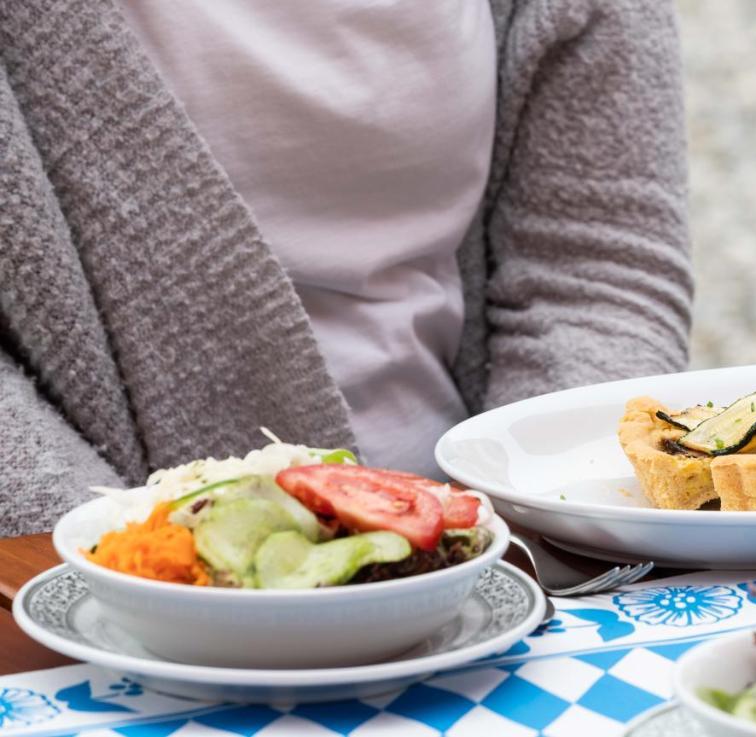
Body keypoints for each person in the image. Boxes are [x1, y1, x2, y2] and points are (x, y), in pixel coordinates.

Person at [0, 0, 693, 536]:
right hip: (75, 580)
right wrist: (145, 569)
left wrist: (515, 540)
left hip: (494, 560)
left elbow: (595, 270)